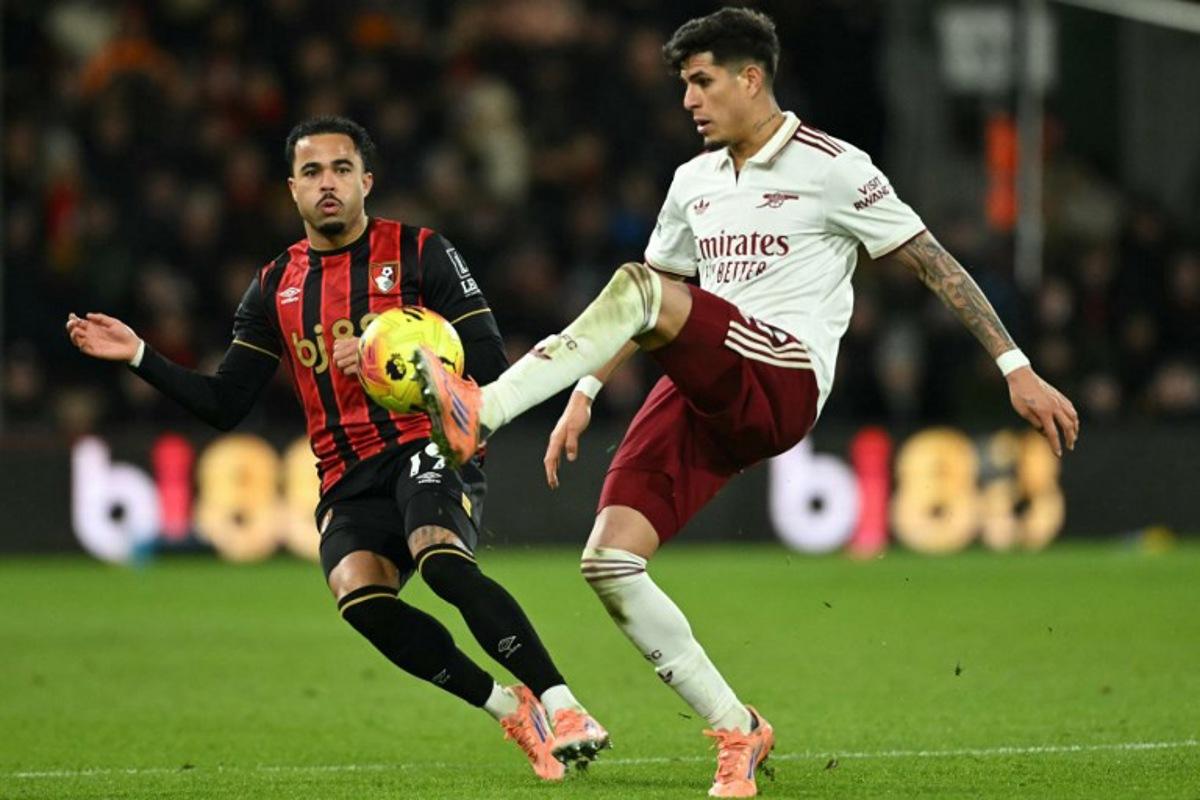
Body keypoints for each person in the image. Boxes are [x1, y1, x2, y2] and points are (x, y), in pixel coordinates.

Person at [415, 9, 1080, 798]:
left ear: (751, 78)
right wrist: (586, 392)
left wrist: (1015, 365)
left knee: (639, 286)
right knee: (609, 561)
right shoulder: (693, 181)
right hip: (707, 384)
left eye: (702, 82)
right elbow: (653, 302)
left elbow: (934, 264)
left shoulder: (834, 166)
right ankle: (738, 730)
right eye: (684, 85)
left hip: (782, 376)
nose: (689, 101)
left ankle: (482, 410)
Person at [66, 115, 609, 781]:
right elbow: (224, 404)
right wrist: (141, 355)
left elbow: (492, 357)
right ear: (291, 188)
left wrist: (393, 344)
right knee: (361, 600)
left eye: (342, 169)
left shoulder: (420, 251)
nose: (329, 184)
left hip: (428, 441)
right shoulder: (274, 286)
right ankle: (510, 709)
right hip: (345, 470)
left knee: (438, 559)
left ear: (367, 182)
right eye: (313, 172)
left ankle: (566, 704)